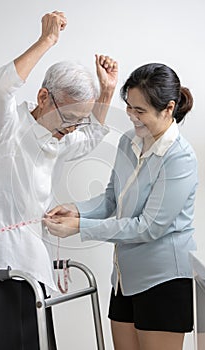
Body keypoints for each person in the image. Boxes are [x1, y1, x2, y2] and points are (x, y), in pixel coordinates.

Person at [0, 11, 118, 350]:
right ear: (42, 99)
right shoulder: (7, 127)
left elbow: (92, 135)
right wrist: (47, 41)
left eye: (77, 122)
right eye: (68, 117)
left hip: (28, 269)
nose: (71, 129)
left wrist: (107, 92)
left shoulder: (58, 140)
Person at [44, 62, 198, 350]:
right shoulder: (129, 141)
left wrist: (81, 227)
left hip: (163, 280)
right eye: (129, 107)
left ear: (168, 109)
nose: (132, 118)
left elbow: (149, 227)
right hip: (124, 280)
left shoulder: (180, 159)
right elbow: (111, 198)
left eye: (140, 111)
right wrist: (77, 210)